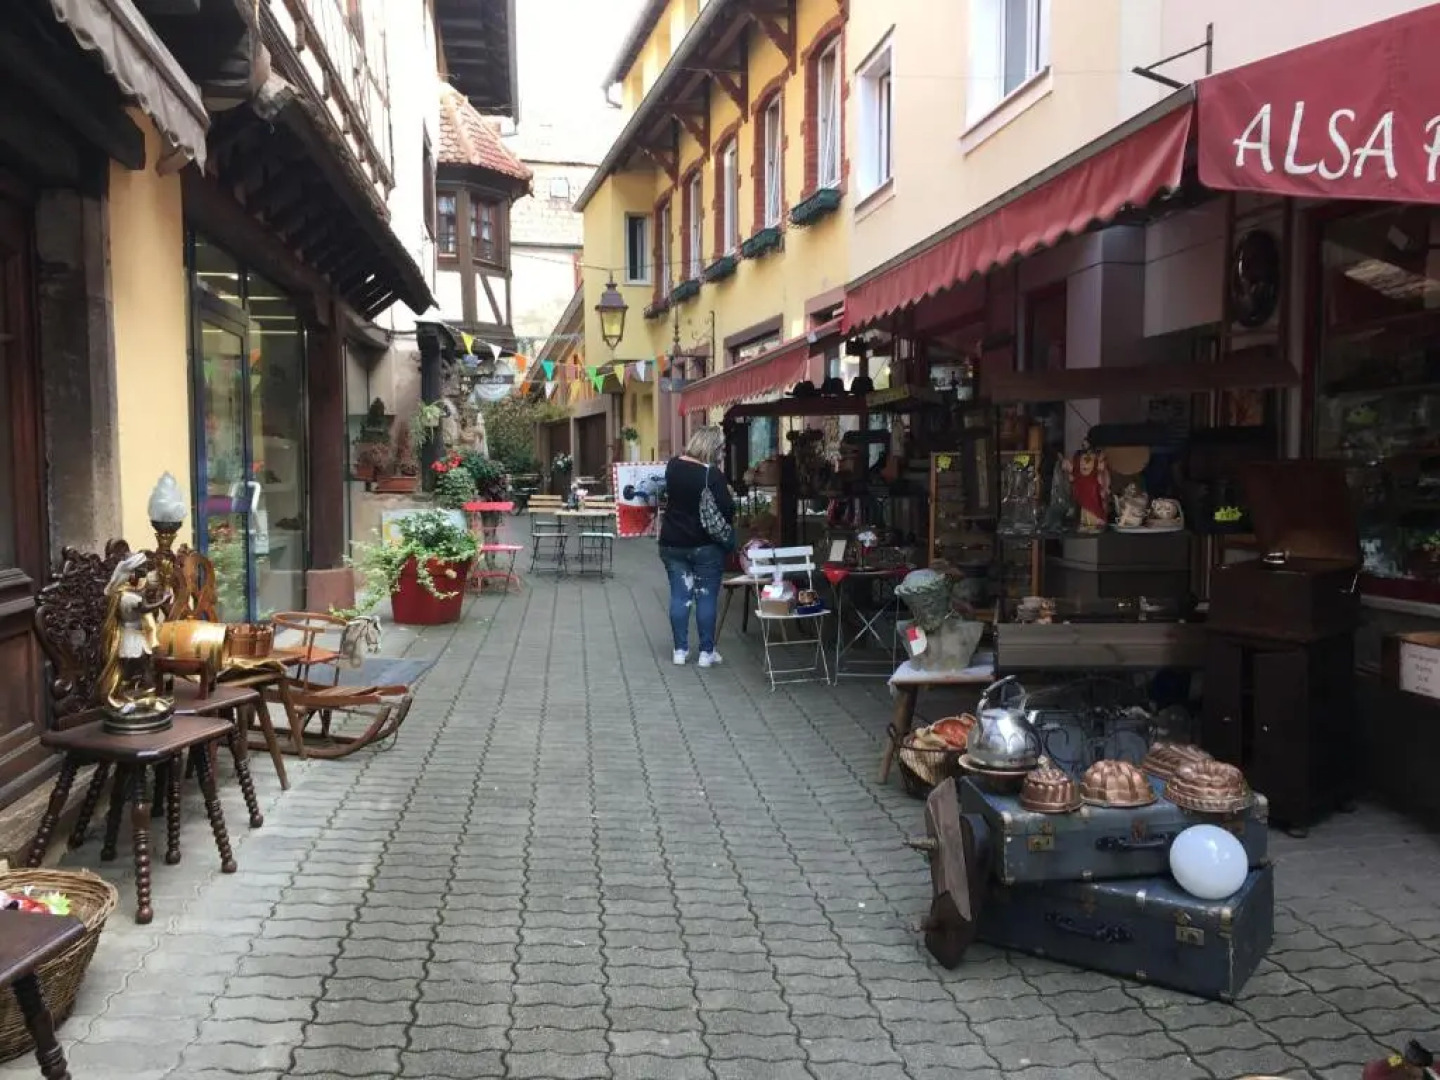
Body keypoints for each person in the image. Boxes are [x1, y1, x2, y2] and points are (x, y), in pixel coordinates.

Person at [659, 425, 735, 667]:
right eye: (721, 448)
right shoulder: (712, 475)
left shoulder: (673, 466)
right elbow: (728, 509)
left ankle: (680, 651)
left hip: (672, 543)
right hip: (705, 546)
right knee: (706, 597)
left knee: (679, 596)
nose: (723, 453)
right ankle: (706, 653)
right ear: (713, 447)